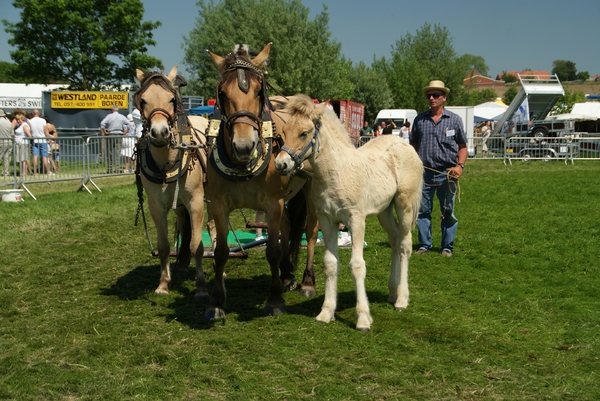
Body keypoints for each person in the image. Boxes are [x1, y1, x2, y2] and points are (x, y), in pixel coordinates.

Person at [410, 80, 467, 257]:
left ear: (444, 97)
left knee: (447, 210)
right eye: (429, 96)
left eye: (435, 95)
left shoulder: (455, 120)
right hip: (424, 172)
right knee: (422, 210)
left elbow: (462, 146)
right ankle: (424, 245)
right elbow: (413, 144)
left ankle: (446, 247)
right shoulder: (420, 120)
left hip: (447, 173)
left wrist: (460, 166)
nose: (432, 98)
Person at [100, 105, 129, 173]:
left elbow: (102, 123)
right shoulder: (121, 116)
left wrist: (104, 131)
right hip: (119, 134)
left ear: (112, 110)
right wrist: (126, 131)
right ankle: (118, 169)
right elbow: (128, 123)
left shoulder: (109, 116)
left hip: (111, 134)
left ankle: (109, 169)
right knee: (117, 153)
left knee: (109, 152)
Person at [29, 109, 51, 175]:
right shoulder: (43, 120)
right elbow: (45, 131)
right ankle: (48, 171)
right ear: (39, 114)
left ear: (33, 114)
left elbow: (30, 131)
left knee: (35, 156)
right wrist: (49, 138)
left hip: (35, 140)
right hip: (43, 140)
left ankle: (35, 172)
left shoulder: (30, 121)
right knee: (44, 157)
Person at [0, 109, 13, 176]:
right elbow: (12, 134)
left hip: (1, 141)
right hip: (9, 141)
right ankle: (6, 172)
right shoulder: (9, 122)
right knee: (7, 158)